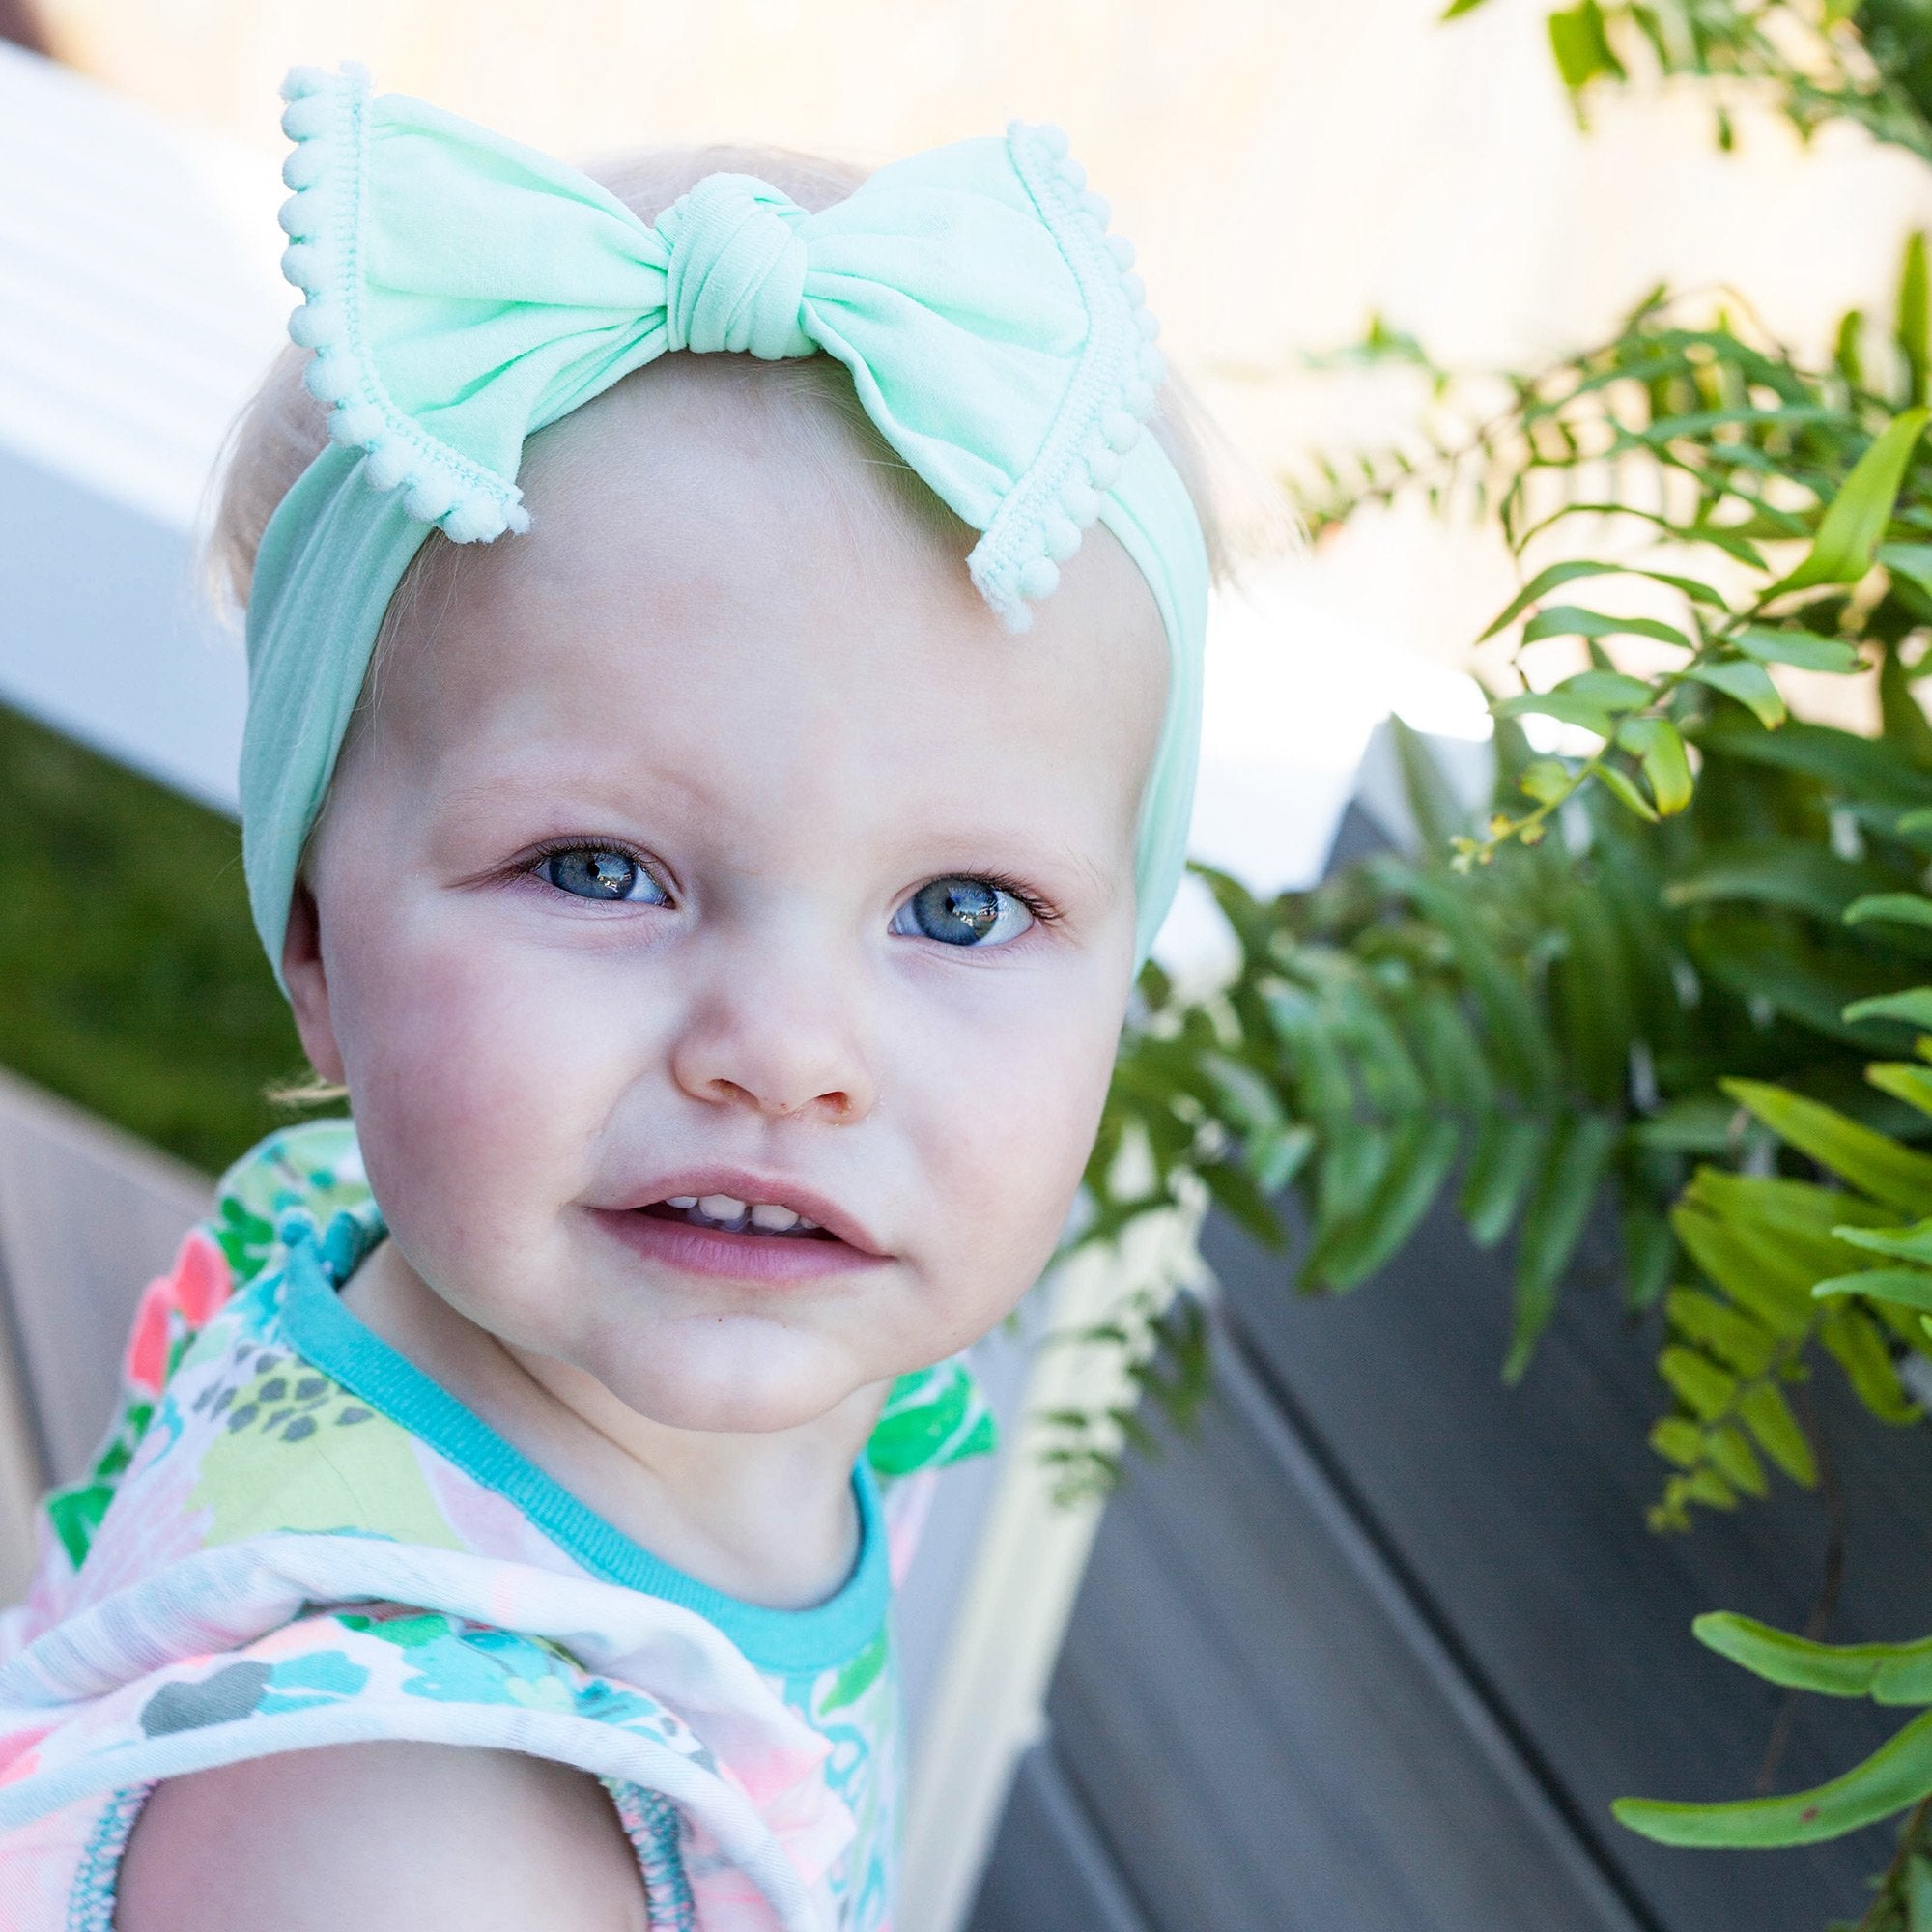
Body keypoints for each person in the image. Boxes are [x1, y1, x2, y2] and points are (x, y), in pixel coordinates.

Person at [0, 59, 1243, 1931]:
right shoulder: (411, 1840)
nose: (790, 1053)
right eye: (603, 871)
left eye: (963, 906)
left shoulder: (708, 1403)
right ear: (317, 948)